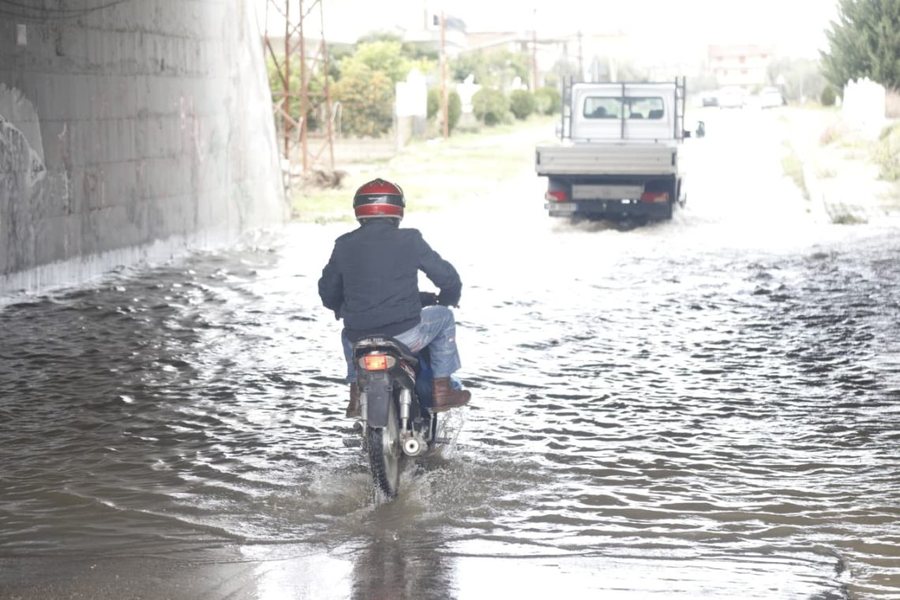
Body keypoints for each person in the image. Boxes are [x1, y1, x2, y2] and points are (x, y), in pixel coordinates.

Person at [317, 178, 472, 417]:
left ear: (359, 211)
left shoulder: (344, 244)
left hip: (359, 338)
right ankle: (442, 389)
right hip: (406, 336)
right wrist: (448, 297)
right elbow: (446, 276)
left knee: (347, 334)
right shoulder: (410, 239)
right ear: (398, 210)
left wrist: (342, 307)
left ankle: (356, 393)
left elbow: (327, 291)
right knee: (444, 317)